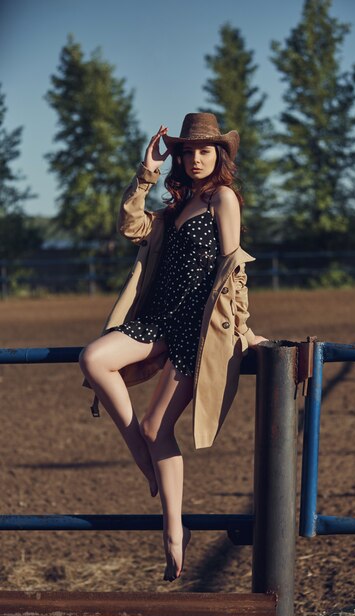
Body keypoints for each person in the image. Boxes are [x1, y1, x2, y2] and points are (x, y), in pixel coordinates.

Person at [79, 112, 267, 582]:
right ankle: (144, 463)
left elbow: (232, 269)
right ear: (178, 157)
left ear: (219, 155)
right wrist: (147, 173)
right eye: (187, 151)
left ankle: (173, 532)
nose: (196, 158)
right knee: (93, 359)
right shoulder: (174, 206)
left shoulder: (223, 198)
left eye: (205, 151)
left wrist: (242, 329)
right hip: (155, 319)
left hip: (194, 329)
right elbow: (130, 226)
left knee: (155, 425)